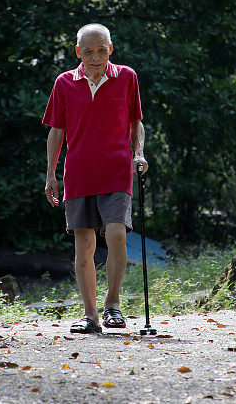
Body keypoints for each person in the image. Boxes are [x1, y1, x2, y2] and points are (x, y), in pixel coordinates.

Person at [42, 23, 147, 334]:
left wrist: (138, 153)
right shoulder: (64, 83)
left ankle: (112, 304)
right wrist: (51, 174)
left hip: (117, 170)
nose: (96, 56)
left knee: (116, 233)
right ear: (78, 52)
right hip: (79, 173)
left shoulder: (127, 77)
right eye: (88, 51)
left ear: (110, 49)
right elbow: (56, 131)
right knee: (84, 245)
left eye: (102, 50)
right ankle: (91, 316)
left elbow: (135, 122)